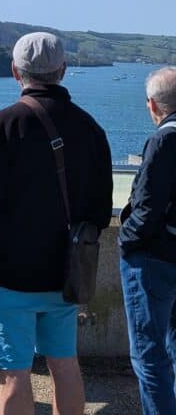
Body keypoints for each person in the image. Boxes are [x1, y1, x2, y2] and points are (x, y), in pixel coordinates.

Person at [0, 32, 113, 415]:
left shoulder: (2, 126)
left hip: (5, 277)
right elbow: (100, 211)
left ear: (16, 71)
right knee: (66, 367)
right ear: (63, 70)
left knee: (14, 375)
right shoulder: (91, 129)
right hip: (65, 275)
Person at [119, 66, 176, 414]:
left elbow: (147, 206)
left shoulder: (163, 140)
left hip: (154, 257)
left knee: (149, 355)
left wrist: (126, 239)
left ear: (153, 105)